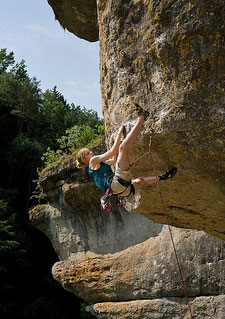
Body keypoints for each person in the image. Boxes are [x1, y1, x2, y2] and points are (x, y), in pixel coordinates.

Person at [76, 103, 177, 211]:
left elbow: (114, 160)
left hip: (123, 191)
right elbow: (114, 151)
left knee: (140, 180)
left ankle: (163, 177)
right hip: (117, 185)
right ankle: (142, 117)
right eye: (87, 153)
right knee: (123, 147)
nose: (91, 153)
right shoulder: (92, 161)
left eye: (89, 151)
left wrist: (111, 144)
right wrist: (119, 134)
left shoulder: (97, 167)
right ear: (84, 160)